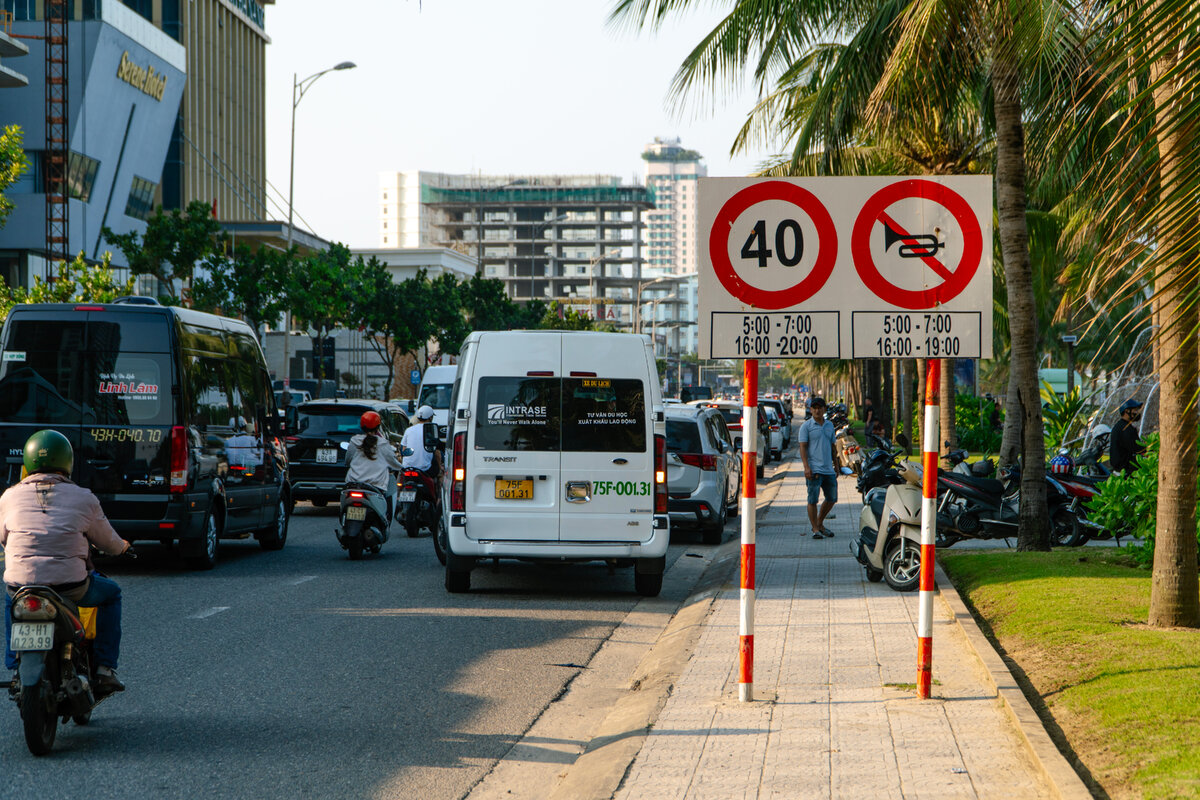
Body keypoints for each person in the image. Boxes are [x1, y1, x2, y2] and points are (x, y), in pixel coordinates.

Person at [2, 430, 131, 697]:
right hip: (70, 586)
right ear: (67, 462)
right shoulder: (84, 497)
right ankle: (105, 669)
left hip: (21, 586)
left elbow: (3, 538)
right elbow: (108, 542)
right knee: (112, 594)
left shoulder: (9, 497)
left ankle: (14, 663)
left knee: (9, 600)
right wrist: (124, 548)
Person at [346, 411, 404, 524]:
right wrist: (401, 467)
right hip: (375, 486)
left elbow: (348, 460)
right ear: (378, 426)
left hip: (353, 483)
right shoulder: (383, 444)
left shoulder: (354, 441)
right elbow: (393, 462)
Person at [798, 396, 838, 540]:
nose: (817, 410)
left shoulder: (829, 426)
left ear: (824, 409)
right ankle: (815, 528)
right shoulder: (806, 426)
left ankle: (820, 522)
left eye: (819, 407)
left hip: (828, 469)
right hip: (814, 469)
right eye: (814, 408)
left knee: (832, 498)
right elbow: (802, 447)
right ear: (810, 410)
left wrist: (837, 465)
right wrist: (806, 467)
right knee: (812, 500)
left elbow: (833, 446)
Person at [1109, 398, 1145, 475]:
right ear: (1127, 411)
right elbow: (1137, 448)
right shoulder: (1126, 429)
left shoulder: (1119, 426)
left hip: (1120, 468)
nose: (1137, 412)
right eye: (1135, 410)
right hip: (1126, 470)